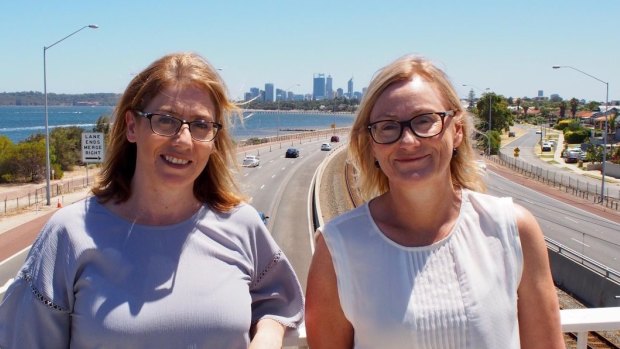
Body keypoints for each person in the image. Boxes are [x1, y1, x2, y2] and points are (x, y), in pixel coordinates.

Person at [0, 52, 303, 348]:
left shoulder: (241, 224)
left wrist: (268, 336)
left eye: (200, 125)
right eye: (166, 120)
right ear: (132, 126)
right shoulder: (68, 234)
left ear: (214, 139)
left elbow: (276, 300)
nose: (183, 141)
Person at [305, 55, 564, 348]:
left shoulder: (512, 230)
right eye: (388, 127)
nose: (408, 142)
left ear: (457, 130)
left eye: (425, 120)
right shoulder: (338, 247)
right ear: (372, 145)